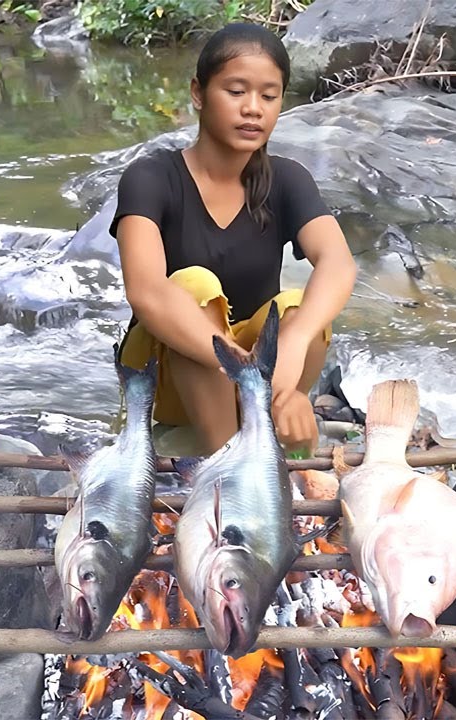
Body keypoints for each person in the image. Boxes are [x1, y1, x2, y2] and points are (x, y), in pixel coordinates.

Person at [112, 23, 356, 456]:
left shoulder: (286, 180)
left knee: (297, 308)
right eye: (236, 91)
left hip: (256, 378)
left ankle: (269, 425)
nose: (253, 109)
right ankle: (230, 460)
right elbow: (146, 292)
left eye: (268, 95)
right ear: (199, 93)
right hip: (165, 375)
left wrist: (296, 342)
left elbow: (337, 262)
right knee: (192, 288)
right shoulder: (150, 178)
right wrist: (237, 362)